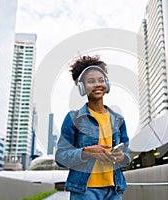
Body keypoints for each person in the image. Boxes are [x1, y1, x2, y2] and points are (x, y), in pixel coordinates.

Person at [55, 55, 131, 200]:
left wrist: (121, 157)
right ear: (82, 87)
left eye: (101, 80)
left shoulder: (118, 120)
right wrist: (86, 152)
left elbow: (127, 157)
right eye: (91, 81)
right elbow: (60, 157)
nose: (97, 84)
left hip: (114, 190)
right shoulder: (73, 118)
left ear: (107, 84)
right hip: (85, 191)